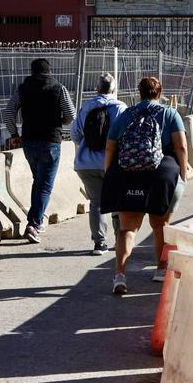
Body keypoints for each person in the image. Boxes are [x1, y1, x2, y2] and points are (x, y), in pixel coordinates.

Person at [101, 76, 192, 296]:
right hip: (160, 176)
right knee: (160, 225)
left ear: (139, 92)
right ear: (159, 93)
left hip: (128, 174)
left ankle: (120, 275)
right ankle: (161, 270)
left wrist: (109, 172)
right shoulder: (169, 113)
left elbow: (110, 148)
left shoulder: (126, 115)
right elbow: (180, 146)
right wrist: (183, 171)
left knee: (127, 229)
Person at [4, 58, 75, 244]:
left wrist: (14, 133)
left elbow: (9, 112)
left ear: (32, 71)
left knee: (38, 181)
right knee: (45, 185)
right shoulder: (59, 88)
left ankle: (37, 220)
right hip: (51, 142)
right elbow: (71, 115)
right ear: (49, 71)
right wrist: (60, 123)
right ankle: (34, 224)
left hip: (29, 142)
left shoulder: (23, 88)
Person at [70, 73, 127, 256]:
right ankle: (120, 242)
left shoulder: (86, 107)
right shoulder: (120, 108)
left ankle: (99, 243)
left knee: (96, 203)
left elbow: (75, 135)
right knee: (117, 202)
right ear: (114, 89)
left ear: (97, 89)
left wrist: (88, 146)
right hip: (112, 163)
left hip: (86, 163)